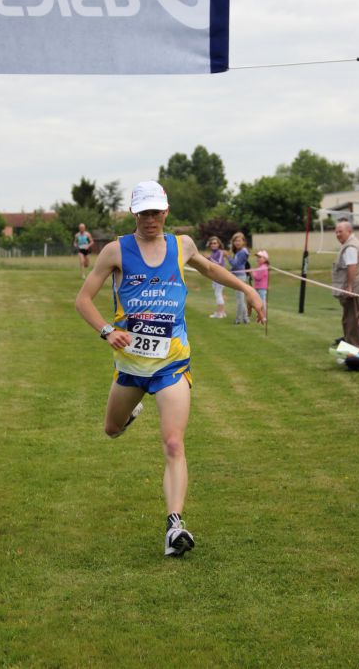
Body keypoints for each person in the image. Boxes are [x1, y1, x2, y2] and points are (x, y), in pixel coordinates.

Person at [75, 180, 264, 557]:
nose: (150, 219)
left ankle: (174, 524)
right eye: (143, 212)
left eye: (156, 212)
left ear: (166, 211)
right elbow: (83, 300)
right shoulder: (116, 251)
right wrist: (107, 330)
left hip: (172, 364)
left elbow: (210, 269)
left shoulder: (183, 245)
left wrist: (248, 290)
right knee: (111, 430)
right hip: (130, 366)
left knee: (174, 443)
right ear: (134, 214)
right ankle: (131, 412)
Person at [332, 220, 359, 347]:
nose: (337, 234)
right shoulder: (350, 244)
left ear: (349, 231)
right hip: (358, 287)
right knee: (353, 319)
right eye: (336, 232)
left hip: (355, 289)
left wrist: (349, 287)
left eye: (340, 231)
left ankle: (354, 349)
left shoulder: (351, 246)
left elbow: (351, 266)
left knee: (352, 321)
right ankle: (358, 347)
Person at [224, 231, 251, 324]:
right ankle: (245, 318)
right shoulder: (239, 251)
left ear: (243, 241)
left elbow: (235, 264)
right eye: (235, 241)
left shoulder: (243, 252)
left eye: (239, 240)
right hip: (238, 276)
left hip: (240, 277)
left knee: (240, 299)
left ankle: (238, 319)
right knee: (240, 298)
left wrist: (228, 257)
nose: (237, 243)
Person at [205, 236, 227, 318]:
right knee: (218, 293)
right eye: (211, 243)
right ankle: (222, 312)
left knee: (218, 294)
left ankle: (220, 313)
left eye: (215, 243)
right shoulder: (213, 253)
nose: (213, 245)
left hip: (220, 276)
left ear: (218, 244)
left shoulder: (220, 252)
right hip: (215, 276)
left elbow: (219, 263)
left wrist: (209, 258)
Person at [252, 250, 269, 319]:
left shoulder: (263, 267)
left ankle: (263, 316)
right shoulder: (261, 267)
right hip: (258, 287)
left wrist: (252, 272)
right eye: (257, 257)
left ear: (265, 259)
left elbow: (257, 277)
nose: (257, 259)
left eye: (260, 257)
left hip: (261, 288)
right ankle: (260, 315)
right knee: (259, 302)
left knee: (262, 302)